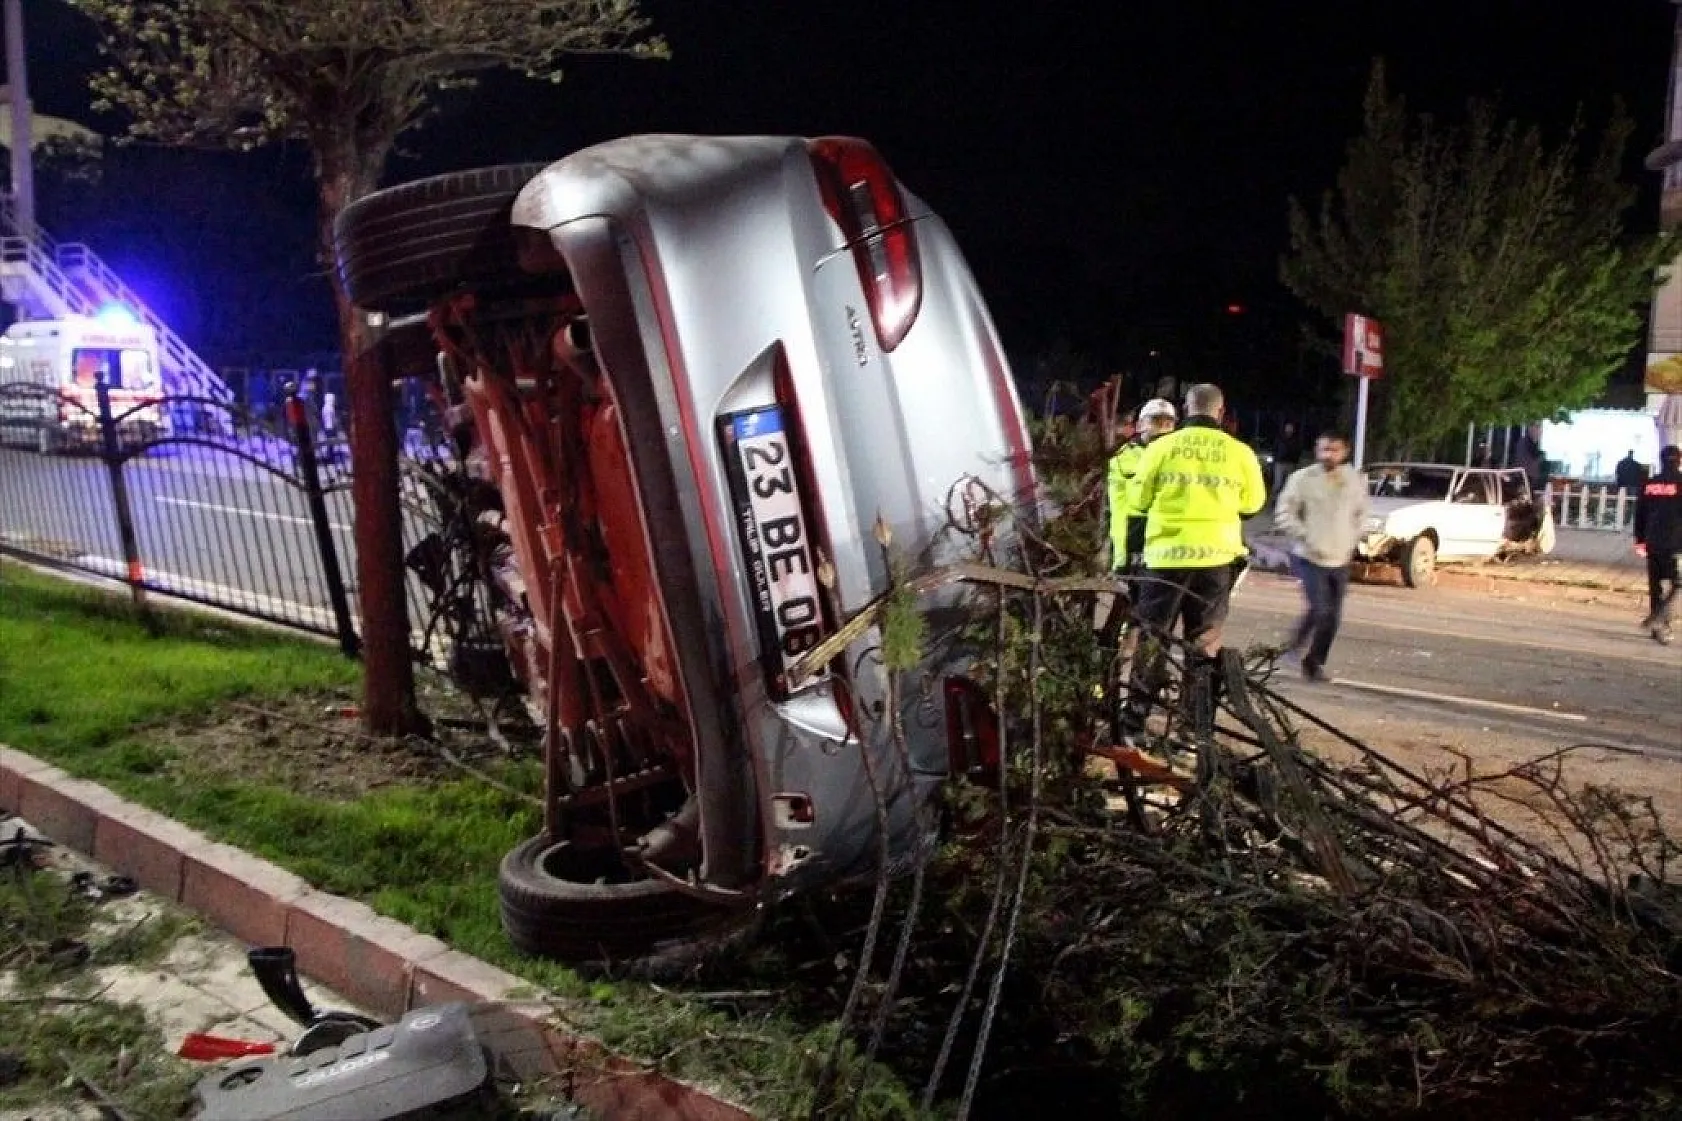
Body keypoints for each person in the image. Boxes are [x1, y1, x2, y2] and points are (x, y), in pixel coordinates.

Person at [1116, 382, 1266, 743]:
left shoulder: (1162, 447)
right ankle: (1195, 726)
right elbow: (1253, 504)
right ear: (1220, 411)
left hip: (1165, 559)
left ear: (1186, 409)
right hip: (1215, 560)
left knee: (1153, 640)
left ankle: (1135, 721)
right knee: (1204, 642)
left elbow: (1137, 501)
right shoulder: (1240, 452)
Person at [1272, 431, 1368, 681]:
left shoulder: (1353, 480)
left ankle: (1313, 663)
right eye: (1324, 449)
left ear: (1345, 452)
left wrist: (1353, 538)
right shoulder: (1302, 479)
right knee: (1320, 608)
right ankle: (1292, 648)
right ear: (1316, 450)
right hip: (1309, 556)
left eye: (1334, 450)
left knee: (1332, 617)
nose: (1328, 455)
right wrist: (1305, 535)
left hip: (1340, 557)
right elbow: (1285, 512)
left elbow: (1361, 512)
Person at [1098, 398, 1178, 648]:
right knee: (1126, 611)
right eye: (1157, 421)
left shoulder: (1173, 456)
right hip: (1131, 543)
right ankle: (1107, 668)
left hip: (1161, 545)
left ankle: (1137, 666)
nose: (1162, 428)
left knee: (1152, 619)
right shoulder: (1125, 457)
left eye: (1168, 423)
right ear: (1143, 424)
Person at [1634, 444, 1682, 646]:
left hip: (1653, 541)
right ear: (1679, 460)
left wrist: (1639, 540)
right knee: (1677, 583)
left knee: (1655, 586)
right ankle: (1661, 618)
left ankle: (1657, 624)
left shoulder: (1649, 484)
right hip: (1676, 543)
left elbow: (1640, 514)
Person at [1272, 421, 1304, 493]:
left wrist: (1296, 461)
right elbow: (1274, 449)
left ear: (1293, 430)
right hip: (1279, 463)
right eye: (1288, 428)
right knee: (1278, 483)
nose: (1289, 429)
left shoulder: (1296, 440)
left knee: (1288, 484)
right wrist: (1275, 460)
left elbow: (1298, 451)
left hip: (1290, 464)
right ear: (1285, 428)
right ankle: (1274, 500)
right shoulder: (1280, 438)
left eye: (1291, 428)